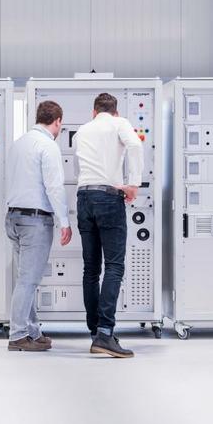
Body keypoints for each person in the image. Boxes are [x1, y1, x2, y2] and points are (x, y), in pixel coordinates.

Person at [73, 92, 143, 358]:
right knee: (114, 266)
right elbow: (135, 146)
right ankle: (104, 333)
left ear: (94, 112)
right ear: (115, 111)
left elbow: (78, 168)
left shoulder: (82, 130)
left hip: (84, 197)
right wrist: (133, 183)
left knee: (91, 269)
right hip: (108, 197)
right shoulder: (119, 123)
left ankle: (96, 333)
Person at [4, 100, 72, 352]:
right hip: (35, 221)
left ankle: (32, 331)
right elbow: (54, 187)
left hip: (13, 217)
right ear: (58, 121)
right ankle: (17, 335)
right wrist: (64, 221)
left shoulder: (18, 143)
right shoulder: (48, 145)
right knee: (28, 281)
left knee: (25, 279)